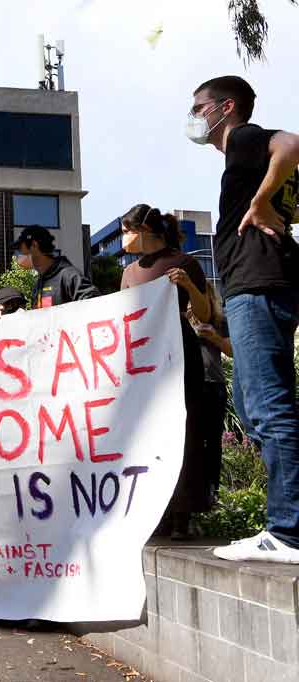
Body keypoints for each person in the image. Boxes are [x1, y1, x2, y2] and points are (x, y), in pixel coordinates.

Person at [187, 75, 299, 562]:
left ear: (226, 107)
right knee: (256, 407)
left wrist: (260, 201)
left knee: (267, 408)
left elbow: (294, 143)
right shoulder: (245, 156)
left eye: (199, 107)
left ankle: (289, 532)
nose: (193, 117)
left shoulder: (248, 138)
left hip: (259, 286)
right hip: (259, 286)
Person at [120, 205, 212, 539]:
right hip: (144, 363)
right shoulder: (130, 273)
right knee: (148, 434)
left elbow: (204, 313)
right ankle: (154, 512)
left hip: (180, 358)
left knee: (184, 432)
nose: (125, 239)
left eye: (128, 231)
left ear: (144, 230)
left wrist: (189, 285)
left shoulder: (183, 263)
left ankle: (182, 514)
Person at [190, 285, 233, 517]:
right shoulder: (177, 319)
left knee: (213, 445)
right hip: (188, 389)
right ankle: (193, 501)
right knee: (193, 445)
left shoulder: (219, 319)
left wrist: (214, 337)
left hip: (213, 386)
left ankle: (211, 497)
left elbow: (232, 350)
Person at [11, 225, 99, 309]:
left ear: (34, 245)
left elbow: (94, 302)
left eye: (19, 249)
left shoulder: (68, 275)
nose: (16, 256)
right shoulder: (38, 284)